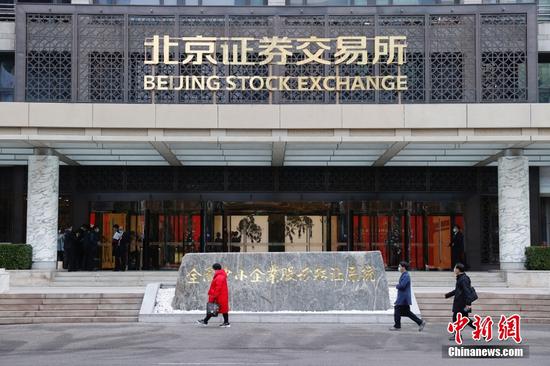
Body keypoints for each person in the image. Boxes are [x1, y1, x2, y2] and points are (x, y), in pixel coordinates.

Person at [389, 261, 426, 331]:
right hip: (403, 298)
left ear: (403, 267)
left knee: (397, 309)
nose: (398, 268)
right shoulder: (404, 275)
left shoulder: (406, 275)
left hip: (403, 298)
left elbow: (402, 286)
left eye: (399, 266)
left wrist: (397, 286)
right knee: (407, 312)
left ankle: (397, 326)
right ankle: (420, 322)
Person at [445, 263, 476, 340]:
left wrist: (468, 304)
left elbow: (467, 291)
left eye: (455, 268)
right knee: (466, 319)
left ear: (458, 269)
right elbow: (458, 290)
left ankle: (457, 335)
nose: (454, 269)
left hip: (461, 303)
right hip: (461, 302)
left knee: (456, 318)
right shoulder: (461, 278)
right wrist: (448, 295)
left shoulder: (463, 279)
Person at [197, 263, 230, 327]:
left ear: (215, 269)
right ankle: (226, 322)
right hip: (221, 296)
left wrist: (214, 296)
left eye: (213, 269)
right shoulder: (221, 275)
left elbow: (218, 288)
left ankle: (205, 321)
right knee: (222, 309)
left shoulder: (219, 276)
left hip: (219, 296)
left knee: (212, 308)